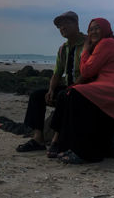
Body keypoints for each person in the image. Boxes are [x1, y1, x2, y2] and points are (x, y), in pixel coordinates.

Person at [49, 17, 114, 163]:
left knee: (74, 94)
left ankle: (83, 152)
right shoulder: (104, 44)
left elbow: (86, 71)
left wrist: (85, 50)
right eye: (91, 29)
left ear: (106, 29)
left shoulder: (107, 43)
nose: (93, 31)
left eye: (97, 28)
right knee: (72, 95)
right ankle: (66, 145)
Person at [16, 11, 86, 153]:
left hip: (84, 89)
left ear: (76, 24)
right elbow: (57, 73)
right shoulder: (63, 49)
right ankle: (38, 139)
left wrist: (69, 88)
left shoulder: (87, 43)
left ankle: (57, 139)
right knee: (37, 96)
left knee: (63, 96)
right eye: (60, 26)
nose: (63, 28)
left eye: (66, 23)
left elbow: (89, 71)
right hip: (69, 86)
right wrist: (51, 90)